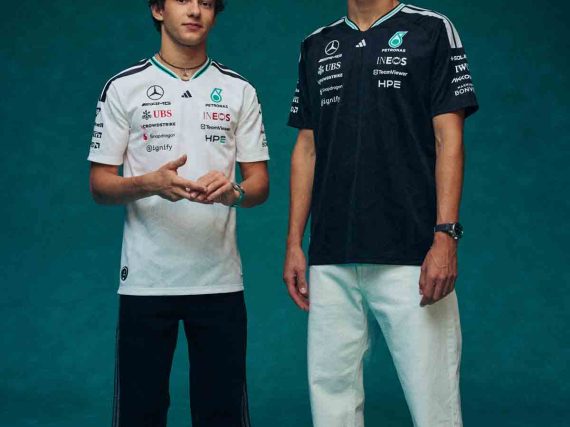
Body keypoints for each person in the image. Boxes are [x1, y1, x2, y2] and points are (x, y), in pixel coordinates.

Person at [283, 1, 478, 425]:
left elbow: (449, 139)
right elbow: (307, 148)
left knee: (434, 403)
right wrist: (295, 243)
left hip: (412, 253)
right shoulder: (316, 45)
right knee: (331, 402)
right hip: (331, 255)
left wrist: (445, 235)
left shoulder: (431, 30)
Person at [88, 0, 269, 425]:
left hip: (219, 280)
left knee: (222, 414)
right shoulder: (124, 87)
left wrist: (234, 193)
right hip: (146, 281)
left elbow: (259, 184)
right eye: (183, 0)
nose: (195, 11)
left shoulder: (239, 90)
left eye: (206, 3)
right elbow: (100, 186)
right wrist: (149, 183)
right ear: (157, 9)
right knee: (141, 414)